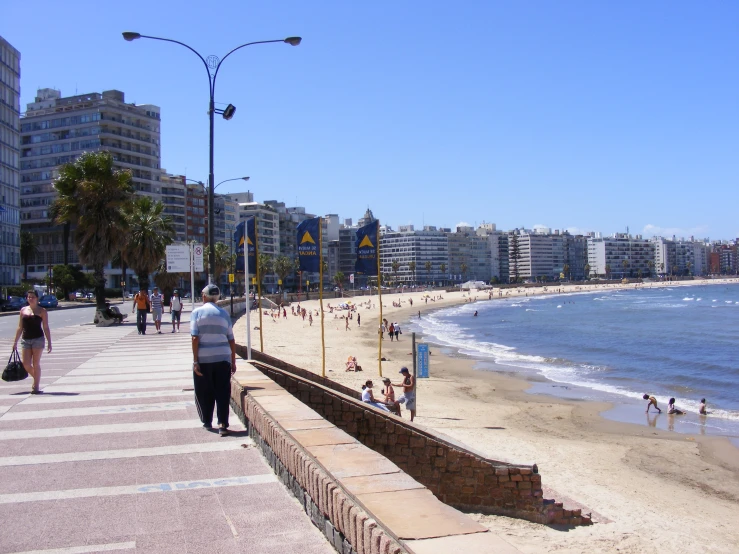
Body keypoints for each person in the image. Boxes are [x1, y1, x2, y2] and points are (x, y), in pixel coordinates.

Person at [191, 285, 236, 437]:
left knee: (204, 390)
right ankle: (222, 424)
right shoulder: (224, 314)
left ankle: (207, 421)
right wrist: (233, 361)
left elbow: (195, 337)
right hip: (223, 358)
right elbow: (231, 339)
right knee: (223, 391)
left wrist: (195, 361)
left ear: (204, 296)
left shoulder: (196, 313)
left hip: (204, 359)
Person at [12, 290, 52, 394]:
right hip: (25, 339)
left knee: (36, 363)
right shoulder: (23, 310)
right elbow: (20, 327)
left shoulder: (42, 311)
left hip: (38, 339)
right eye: (29, 297)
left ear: (37, 298)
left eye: (33, 297)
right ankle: (36, 378)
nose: (30, 299)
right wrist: (15, 342)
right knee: (26, 364)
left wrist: (49, 342)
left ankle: (36, 386)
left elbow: (46, 327)